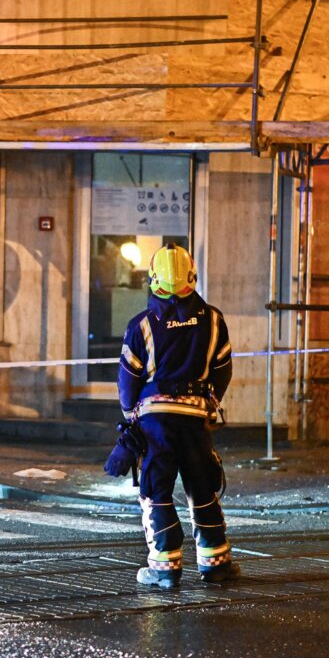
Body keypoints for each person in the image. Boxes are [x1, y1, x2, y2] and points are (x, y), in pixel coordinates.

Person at [105, 243, 238, 588]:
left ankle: (164, 569)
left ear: (153, 280)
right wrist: (209, 403)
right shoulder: (214, 320)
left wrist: (130, 418)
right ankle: (216, 564)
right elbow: (222, 370)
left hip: (155, 425)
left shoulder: (142, 326)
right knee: (202, 487)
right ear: (192, 278)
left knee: (156, 490)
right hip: (196, 420)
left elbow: (127, 382)